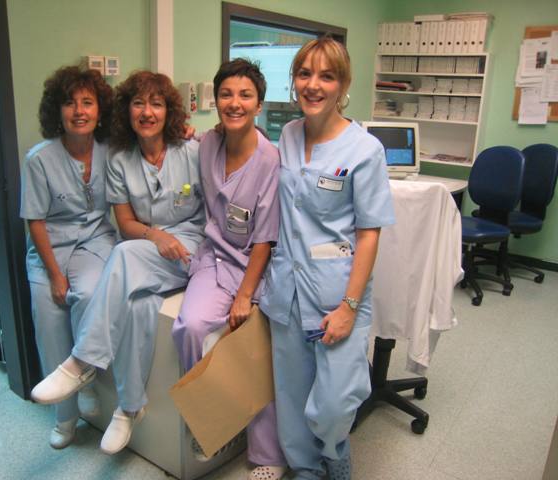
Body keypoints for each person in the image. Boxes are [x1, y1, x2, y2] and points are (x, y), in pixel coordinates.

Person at [30, 71, 205, 455]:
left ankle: (80, 363)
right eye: (138, 103)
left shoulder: (192, 150)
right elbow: (125, 224)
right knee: (137, 305)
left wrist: (163, 238)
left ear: (169, 111)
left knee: (123, 255)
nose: (147, 112)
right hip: (149, 249)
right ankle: (130, 407)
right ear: (126, 111)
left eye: (156, 104)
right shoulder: (120, 159)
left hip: (189, 247)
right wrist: (156, 236)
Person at [259, 37, 395, 479]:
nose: (313, 85)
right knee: (292, 393)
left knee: (335, 399)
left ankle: (335, 451)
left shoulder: (364, 149)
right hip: (288, 287)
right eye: (304, 74)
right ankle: (304, 468)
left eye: (327, 76)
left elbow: (369, 234)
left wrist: (349, 306)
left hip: (337, 292)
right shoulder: (289, 134)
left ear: (343, 85)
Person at [172, 59, 286, 480]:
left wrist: (245, 296)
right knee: (189, 327)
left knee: (254, 343)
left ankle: (268, 455)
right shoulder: (208, 144)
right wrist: (185, 131)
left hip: (254, 266)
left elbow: (266, 238)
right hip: (213, 258)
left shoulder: (270, 159)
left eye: (245, 95)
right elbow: (190, 138)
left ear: (259, 104)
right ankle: (210, 423)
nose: (235, 103)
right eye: (226, 94)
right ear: (216, 101)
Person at [20, 65, 117, 449]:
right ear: (57, 111)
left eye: (87, 102)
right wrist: (56, 275)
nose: (79, 111)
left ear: (99, 109)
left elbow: (154, 143)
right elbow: (35, 220)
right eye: (70, 103)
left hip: (95, 241)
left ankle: (85, 377)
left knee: (90, 296)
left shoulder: (110, 150)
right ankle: (65, 418)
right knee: (50, 325)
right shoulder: (39, 159)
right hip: (50, 248)